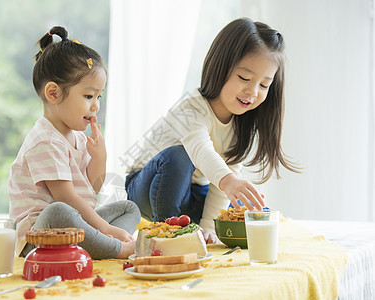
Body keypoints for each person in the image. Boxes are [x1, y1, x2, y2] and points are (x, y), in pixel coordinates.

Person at [125, 18, 299, 243]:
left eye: (264, 85)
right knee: (179, 156)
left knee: (229, 204)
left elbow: (224, 179)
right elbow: (201, 149)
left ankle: (191, 229)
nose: (253, 91)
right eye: (244, 78)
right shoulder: (191, 108)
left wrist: (209, 227)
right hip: (145, 187)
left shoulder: (242, 124)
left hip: (190, 193)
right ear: (220, 67)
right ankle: (169, 235)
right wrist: (228, 181)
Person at [8, 26, 140, 259]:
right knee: (60, 211)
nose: (96, 105)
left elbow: (90, 192)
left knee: (128, 208)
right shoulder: (44, 141)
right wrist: (105, 227)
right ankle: (113, 248)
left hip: (73, 224)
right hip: (38, 236)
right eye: (88, 96)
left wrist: (100, 157)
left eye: (99, 96)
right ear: (53, 94)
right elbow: (66, 198)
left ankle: (97, 244)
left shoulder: (78, 138)